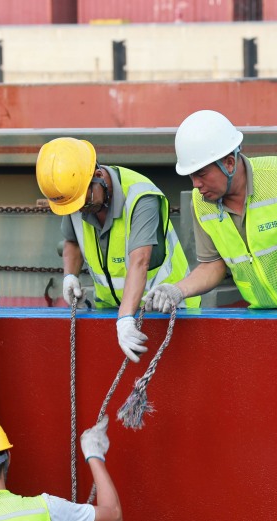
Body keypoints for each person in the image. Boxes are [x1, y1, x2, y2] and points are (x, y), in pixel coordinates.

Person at [145, 110, 277, 312]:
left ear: (229, 163)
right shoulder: (200, 203)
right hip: (268, 315)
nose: (196, 184)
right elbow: (212, 266)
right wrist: (177, 290)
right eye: (191, 176)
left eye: (201, 174)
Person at [35, 137, 200, 363]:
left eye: (85, 202)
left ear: (99, 176)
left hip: (169, 311)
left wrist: (125, 319)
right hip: (112, 314)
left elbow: (140, 260)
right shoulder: (76, 196)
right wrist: (70, 277)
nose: (81, 210)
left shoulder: (141, 197)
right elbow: (72, 241)